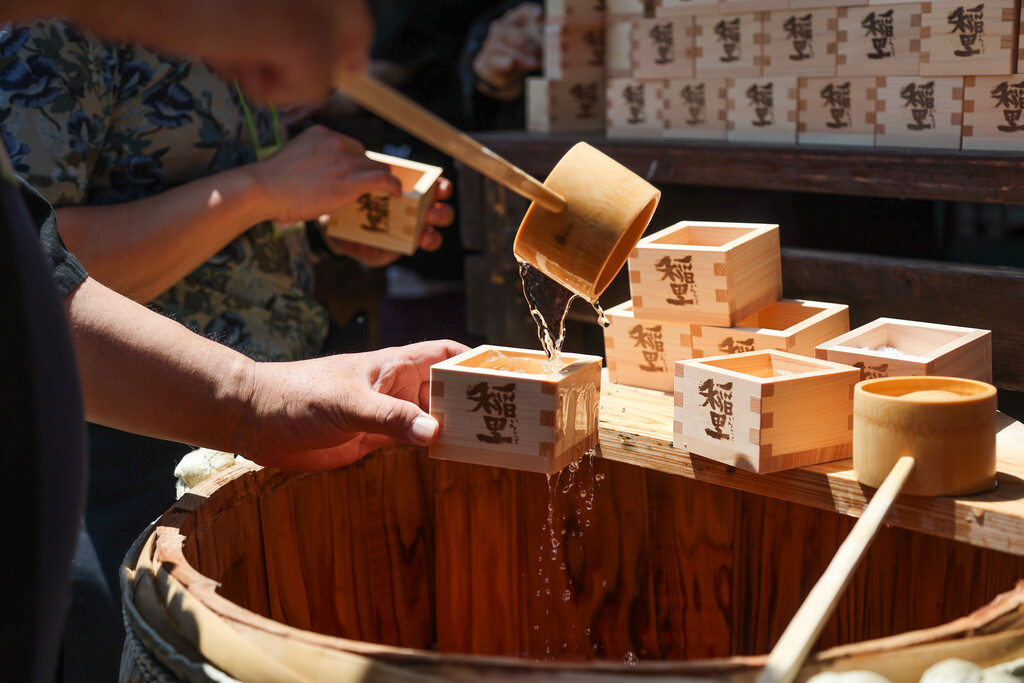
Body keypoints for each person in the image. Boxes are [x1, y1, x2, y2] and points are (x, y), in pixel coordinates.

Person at [1, 2, 469, 682]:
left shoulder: (222, 37)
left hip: (259, 418)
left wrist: (318, 221)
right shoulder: (51, 31)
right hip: (143, 434)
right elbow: (39, 264)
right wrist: (264, 190)